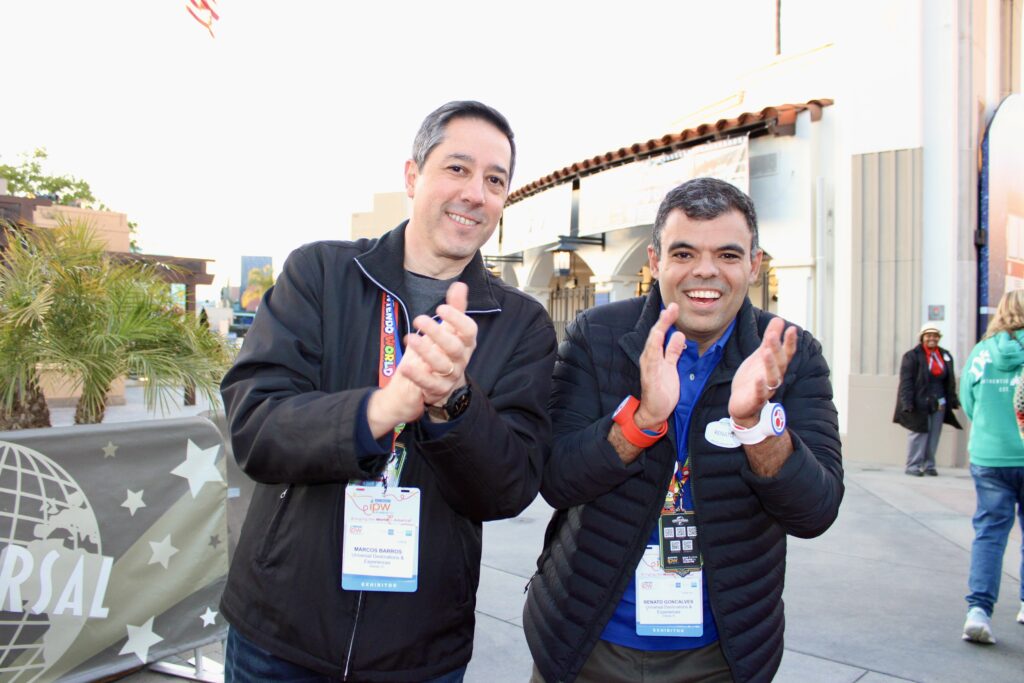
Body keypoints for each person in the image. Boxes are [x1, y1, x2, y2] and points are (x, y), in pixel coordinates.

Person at [219, 101, 557, 681]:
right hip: (279, 638)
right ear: (412, 176)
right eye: (457, 168)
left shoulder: (521, 323)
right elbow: (255, 428)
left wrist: (453, 400)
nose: (476, 193)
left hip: (420, 651)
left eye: (495, 180)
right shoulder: (320, 275)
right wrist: (384, 407)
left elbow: (509, 489)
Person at [523, 177, 844, 683]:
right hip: (585, 641)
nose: (706, 271)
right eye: (684, 252)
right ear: (654, 261)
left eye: (729, 255)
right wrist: (642, 421)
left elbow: (815, 511)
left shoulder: (790, 353)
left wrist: (756, 426)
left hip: (722, 653)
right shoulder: (597, 337)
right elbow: (556, 480)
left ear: (755, 265)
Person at [959, 288, 1024, 644]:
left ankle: (979, 611)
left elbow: (967, 400)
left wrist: (987, 428)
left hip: (988, 455)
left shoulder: (981, 353)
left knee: (989, 533)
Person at [892, 324, 962, 476]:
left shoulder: (945, 355)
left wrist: (953, 399)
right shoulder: (912, 356)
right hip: (919, 402)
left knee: (934, 434)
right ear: (922, 337)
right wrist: (907, 403)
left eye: (935, 336)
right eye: (928, 335)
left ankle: (929, 465)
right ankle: (913, 465)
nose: (932, 338)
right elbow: (906, 382)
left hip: (939, 402)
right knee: (918, 433)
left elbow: (950, 381)